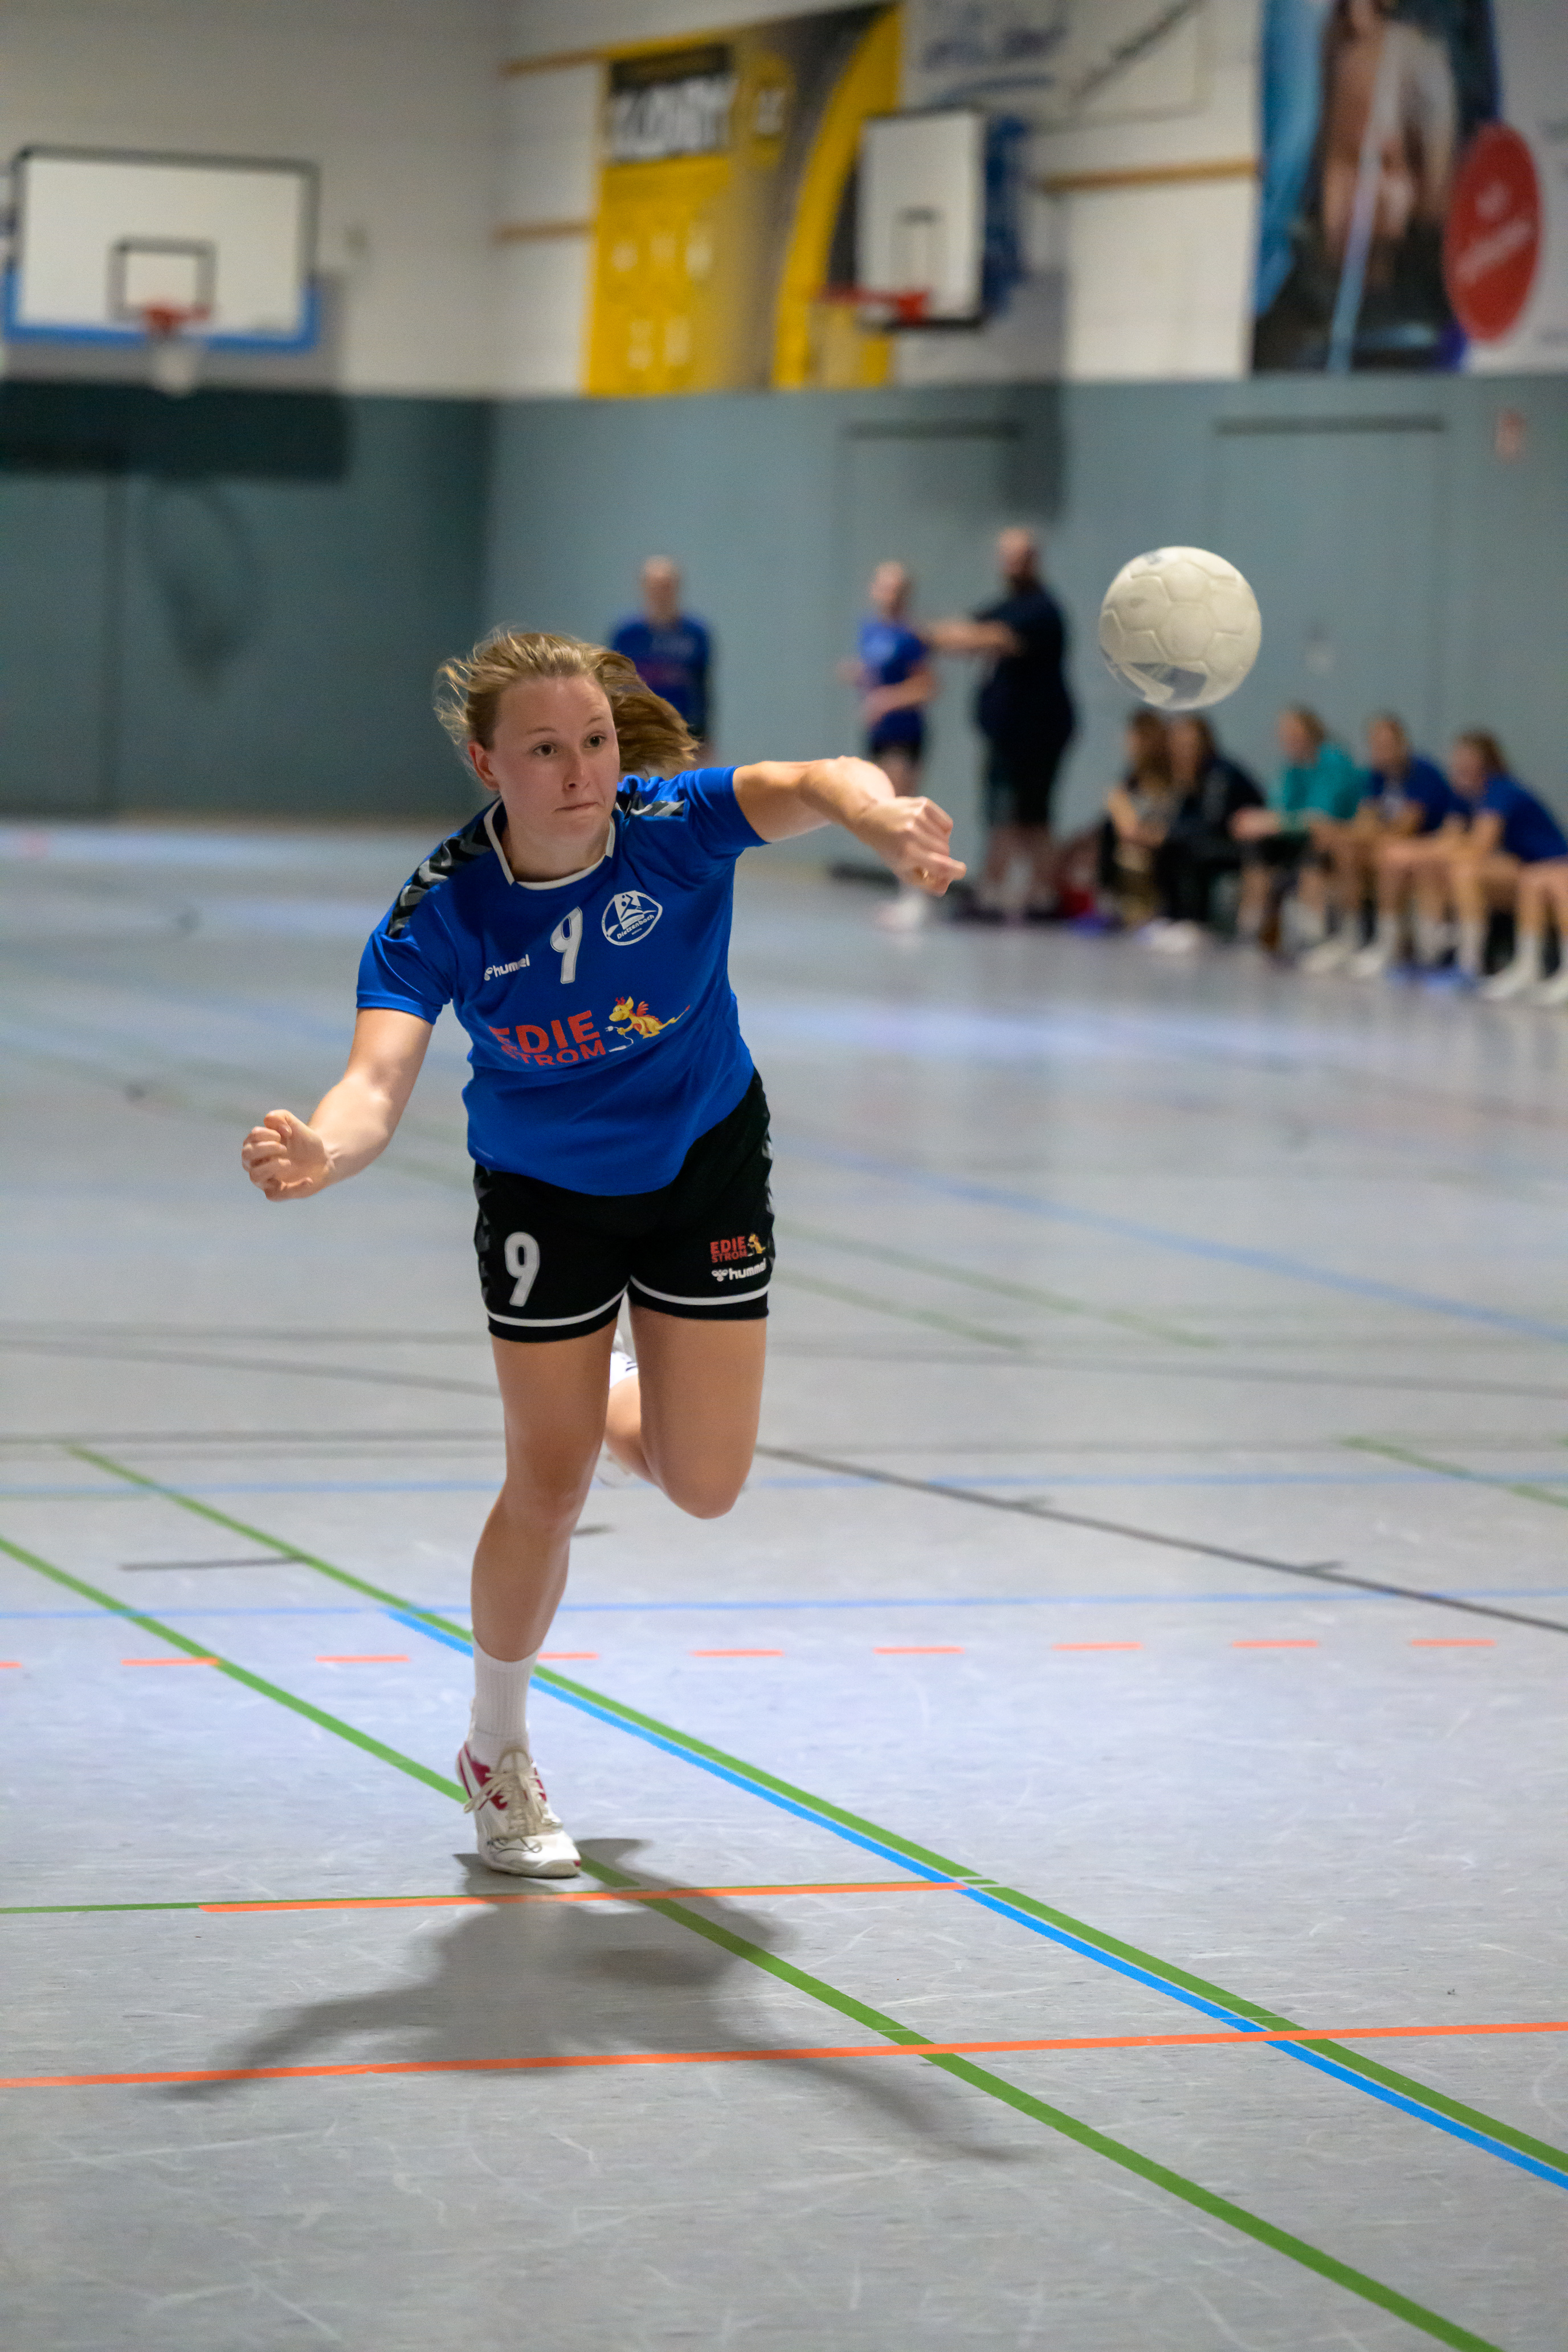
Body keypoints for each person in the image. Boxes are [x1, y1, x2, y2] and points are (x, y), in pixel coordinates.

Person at [239, 630, 962, 1877]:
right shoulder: (440, 910)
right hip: (546, 1195)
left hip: (703, 1160)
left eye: (594, 741)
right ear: (487, 765)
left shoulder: (673, 828)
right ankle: (495, 1749)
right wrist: (324, 1150)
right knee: (549, 1482)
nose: (580, 771)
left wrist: (880, 814)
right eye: (544, 749)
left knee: (706, 1483)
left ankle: (615, 1389)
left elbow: (815, 776)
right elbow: (374, 1082)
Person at [923, 526, 1075, 920]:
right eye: (1006, 556)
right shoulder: (1009, 604)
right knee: (1022, 817)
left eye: (1020, 557)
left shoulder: (1040, 611)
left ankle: (997, 892)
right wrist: (928, 634)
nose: (1012, 564)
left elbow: (988, 638)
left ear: (1034, 560)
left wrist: (923, 637)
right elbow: (964, 627)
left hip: (1035, 734)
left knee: (1014, 815)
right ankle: (1041, 893)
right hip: (1008, 734)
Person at [1302, 713, 1460, 973]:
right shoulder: (1376, 777)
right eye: (1376, 746)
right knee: (1345, 850)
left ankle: (1389, 942)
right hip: (1390, 848)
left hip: (1422, 851)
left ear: (1403, 744)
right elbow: (1365, 822)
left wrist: (1350, 833)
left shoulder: (1423, 773)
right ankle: (1349, 935)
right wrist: (1344, 835)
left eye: (1387, 745)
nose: (1381, 751)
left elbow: (1404, 830)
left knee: (1388, 856)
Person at [1419, 732, 1567, 987]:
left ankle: (1470, 963)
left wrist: (1427, 853)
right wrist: (1418, 854)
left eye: (1468, 759)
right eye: (1457, 759)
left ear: (1485, 762)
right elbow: (1446, 840)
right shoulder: (1465, 796)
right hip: (1525, 868)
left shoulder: (1501, 790)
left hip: (1551, 866)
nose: (1460, 765)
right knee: (1436, 868)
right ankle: (1433, 948)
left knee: (1465, 872)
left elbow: (1479, 847)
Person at [840, 560, 939, 932]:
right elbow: (878, 674)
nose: (890, 595)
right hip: (879, 735)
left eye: (898, 589)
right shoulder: (869, 631)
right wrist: (861, 677)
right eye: (885, 587)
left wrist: (887, 700)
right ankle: (907, 892)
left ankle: (918, 896)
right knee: (885, 816)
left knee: (902, 816)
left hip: (904, 734)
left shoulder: (910, 636)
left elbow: (927, 686)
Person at [1230, 707, 1362, 949]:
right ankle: (1251, 932)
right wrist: (1256, 821)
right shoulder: (1291, 769)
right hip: (1300, 839)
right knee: (1258, 850)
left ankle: (1315, 938)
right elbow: (1278, 812)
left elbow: (1321, 820)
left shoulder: (1332, 760)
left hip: (1340, 838)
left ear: (1311, 732)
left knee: (1315, 850)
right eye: (1284, 733)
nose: (1288, 738)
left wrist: (1268, 822)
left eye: (1294, 732)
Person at [1147, 714, 1264, 952]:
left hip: (1247, 847)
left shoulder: (1220, 774)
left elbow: (1214, 823)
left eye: (1189, 745)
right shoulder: (1189, 776)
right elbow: (1182, 818)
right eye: (1178, 745)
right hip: (1216, 841)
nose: (1183, 751)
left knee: (1187, 848)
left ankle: (1195, 922)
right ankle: (1172, 917)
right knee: (1168, 847)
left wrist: (1167, 833)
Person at [610, 558, 712, 753]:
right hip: (637, 731)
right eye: (655, 586)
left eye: (666, 586)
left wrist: (705, 737)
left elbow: (703, 688)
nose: (661, 594)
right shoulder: (626, 635)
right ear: (645, 588)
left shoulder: (695, 634)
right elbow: (614, 686)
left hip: (682, 731)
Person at [1097, 712, 1175, 931]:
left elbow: (1134, 830)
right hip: (1138, 849)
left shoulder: (1170, 780)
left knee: (1132, 857)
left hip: (1161, 851)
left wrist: (1121, 809)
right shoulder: (1130, 780)